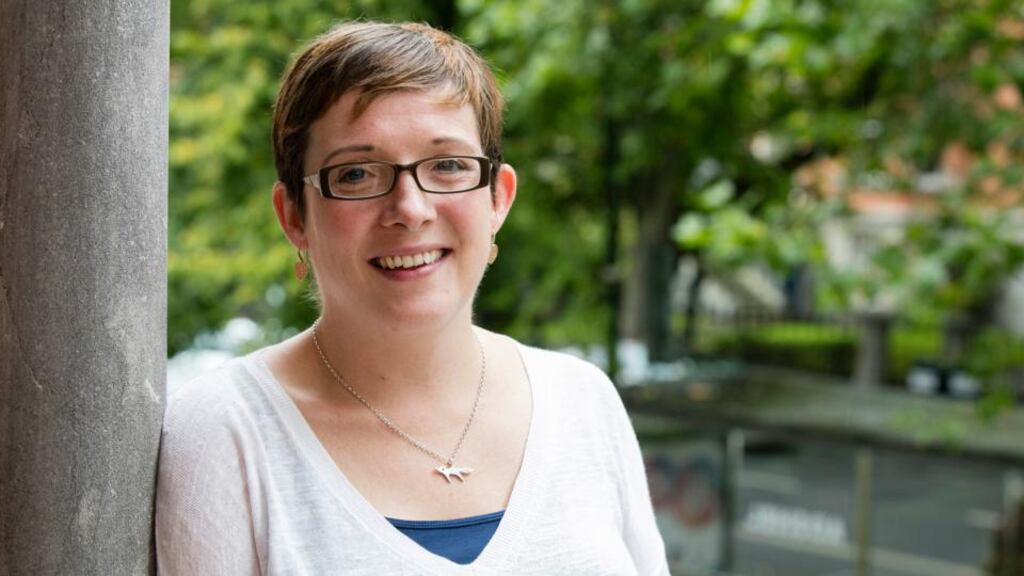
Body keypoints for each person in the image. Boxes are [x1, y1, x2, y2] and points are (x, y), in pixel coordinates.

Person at [155, 21, 669, 575]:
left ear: (498, 199)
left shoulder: (582, 401)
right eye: (355, 173)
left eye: (447, 165)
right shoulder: (227, 431)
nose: (411, 208)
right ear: (293, 218)